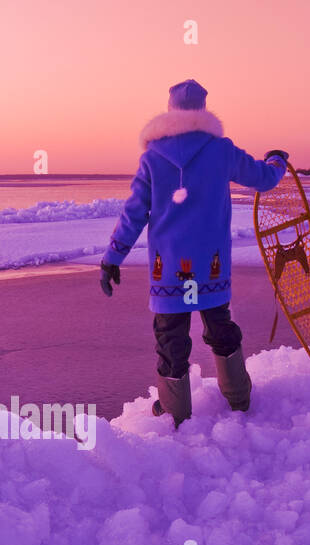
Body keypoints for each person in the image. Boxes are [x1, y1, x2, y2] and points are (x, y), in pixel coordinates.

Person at [99, 79, 289, 427]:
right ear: (203, 110)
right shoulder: (221, 150)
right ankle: (239, 397)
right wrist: (277, 162)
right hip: (210, 266)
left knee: (171, 336)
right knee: (220, 325)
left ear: (169, 110)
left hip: (169, 269)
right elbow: (263, 178)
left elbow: (134, 212)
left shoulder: (153, 157)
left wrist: (113, 257)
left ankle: (174, 411)